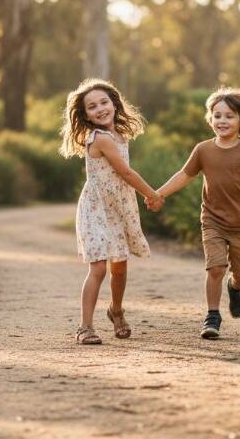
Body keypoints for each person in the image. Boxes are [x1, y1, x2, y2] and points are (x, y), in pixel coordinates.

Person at [151, 87, 240, 339]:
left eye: (229, 116)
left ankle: (235, 288)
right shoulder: (203, 149)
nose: (222, 121)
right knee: (215, 268)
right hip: (212, 220)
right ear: (210, 119)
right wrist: (159, 193)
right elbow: (184, 175)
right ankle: (212, 315)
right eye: (217, 115)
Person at [60, 78, 164, 345]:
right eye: (92, 106)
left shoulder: (118, 135)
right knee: (98, 269)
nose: (100, 109)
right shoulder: (100, 139)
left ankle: (116, 311)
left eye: (104, 102)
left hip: (118, 208)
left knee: (119, 268)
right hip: (96, 210)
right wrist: (151, 194)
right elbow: (126, 172)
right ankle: (85, 327)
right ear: (85, 115)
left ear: (115, 104)